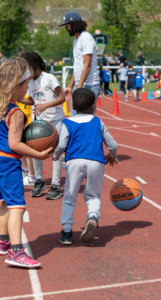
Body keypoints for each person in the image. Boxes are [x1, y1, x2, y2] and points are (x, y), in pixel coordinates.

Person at [0, 58, 52, 268]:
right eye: (25, 84)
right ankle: (16, 251)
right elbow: (14, 144)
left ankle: (3, 241)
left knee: (5, 203)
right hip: (7, 161)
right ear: (14, 86)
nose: (28, 88)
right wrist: (38, 154)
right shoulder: (15, 113)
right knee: (17, 206)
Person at [53, 88, 118, 245]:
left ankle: (67, 232)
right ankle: (92, 217)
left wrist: (55, 155)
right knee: (93, 195)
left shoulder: (67, 123)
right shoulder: (97, 121)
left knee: (70, 196)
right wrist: (112, 156)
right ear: (93, 106)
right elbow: (113, 145)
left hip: (74, 161)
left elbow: (62, 144)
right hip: (96, 161)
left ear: (73, 105)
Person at [21, 51, 66, 200]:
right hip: (40, 121)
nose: (26, 72)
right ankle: (39, 181)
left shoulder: (49, 78)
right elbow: (32, 101)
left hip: (56, 120)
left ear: (35, 66)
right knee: (35, 149)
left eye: (27, 69)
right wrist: (16, 98)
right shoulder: (30, 82)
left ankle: (55, 185)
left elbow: (62, 97)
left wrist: (46, 105)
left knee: (57, 152)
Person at [60, 11, 100, 115]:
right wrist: (70, 86)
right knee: (75, 119)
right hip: (80, 85)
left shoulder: (86, 38)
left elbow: (87, 65)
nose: (66, 28)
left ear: (74, 24)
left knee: (84, 120)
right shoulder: (76, 40)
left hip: (89, 85)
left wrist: (79, 87)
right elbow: (78, 66)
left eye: (67, 25)